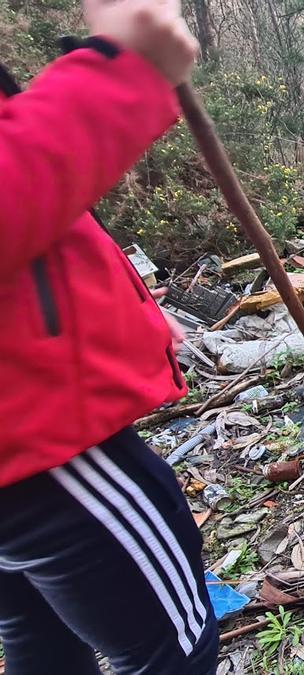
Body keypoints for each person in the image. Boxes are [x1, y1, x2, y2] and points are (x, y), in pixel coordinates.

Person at [0, 0, 218, 672]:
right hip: (36, 438)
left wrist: (143, 316)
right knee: (173, 649)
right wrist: (123, 69)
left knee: (41, 641)